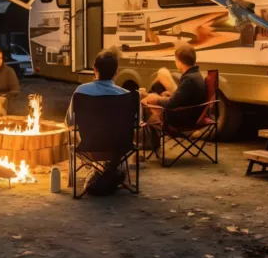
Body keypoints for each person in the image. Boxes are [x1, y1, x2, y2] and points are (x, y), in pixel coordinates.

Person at [65, 48, 129, 195]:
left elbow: (69, 122)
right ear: (116, 72)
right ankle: (113, 172)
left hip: (89, 147)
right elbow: (135, 124)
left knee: (75, 134)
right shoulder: (126, 96)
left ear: (94, 69)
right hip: (119, 148)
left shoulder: (81, 92)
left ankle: (98, 172)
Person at [140, 43, 207, 154]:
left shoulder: (189, 79)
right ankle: (152, 143)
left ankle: (151, 144)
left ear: (179, 62)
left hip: (182, 120)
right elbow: (182, 99)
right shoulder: (195, 75)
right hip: (189, 114)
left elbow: (170, 104)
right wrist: (171, 96)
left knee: (146, 104)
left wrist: (156, 99)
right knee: (152, 96)